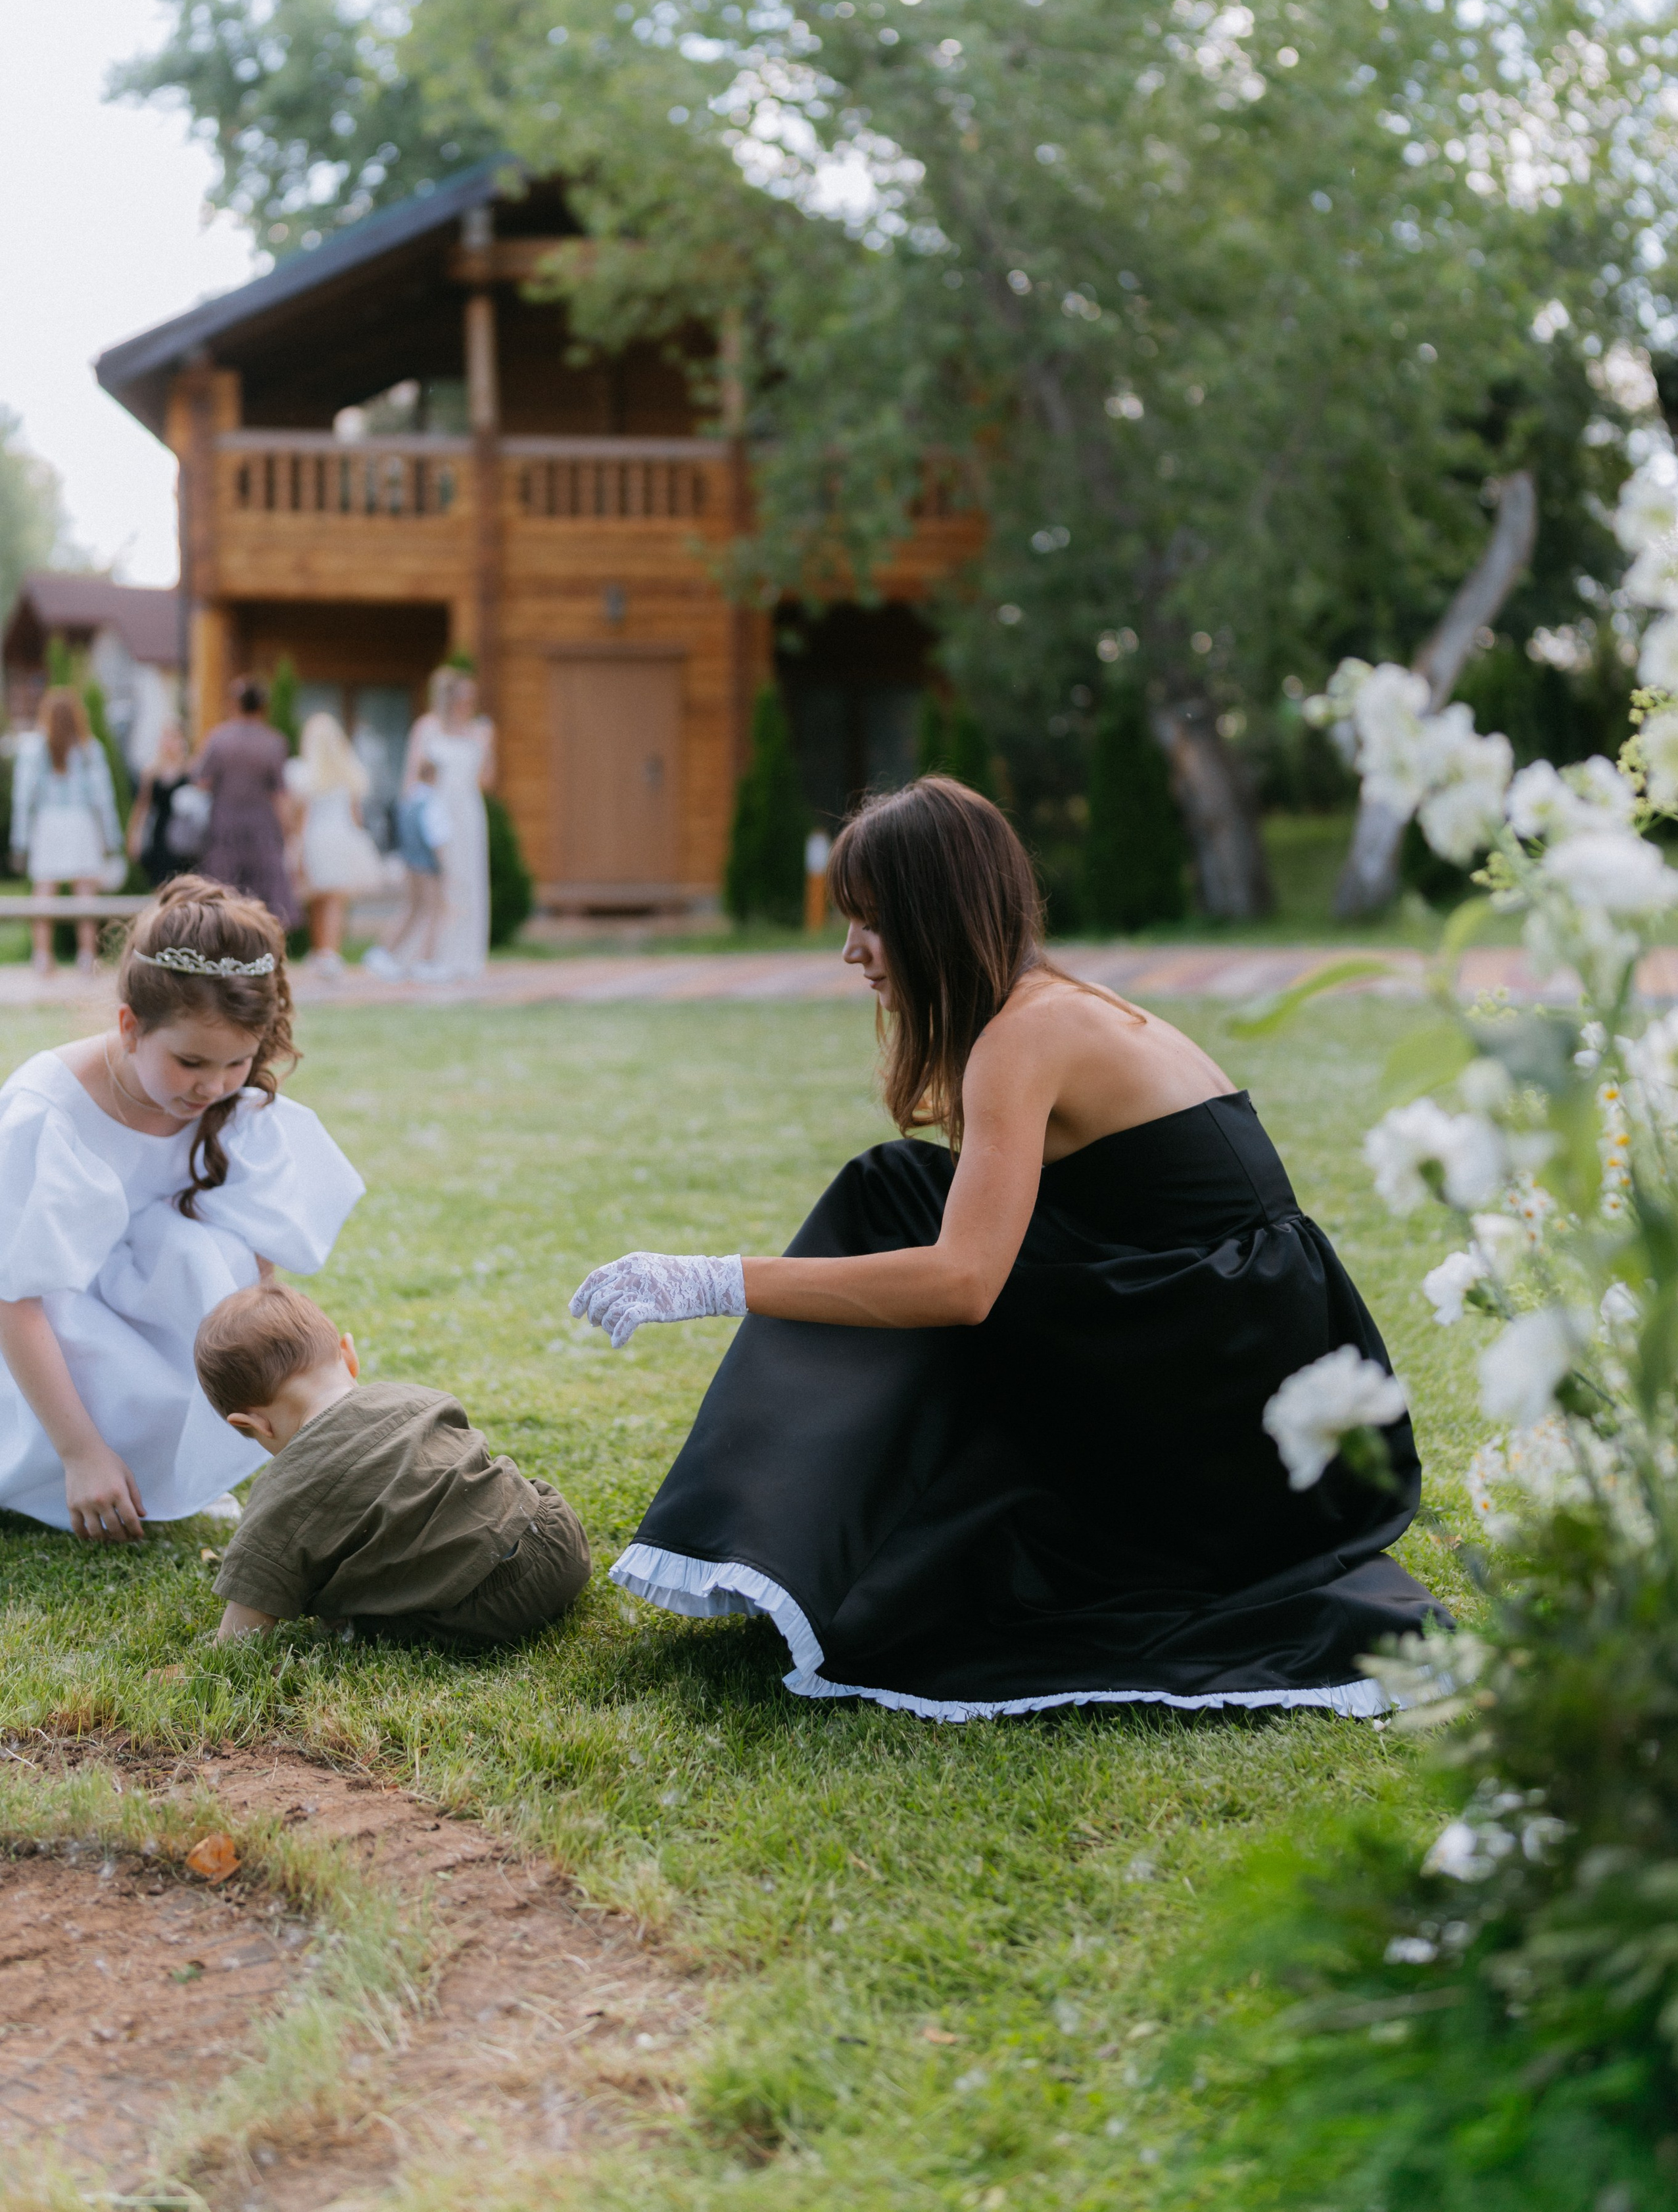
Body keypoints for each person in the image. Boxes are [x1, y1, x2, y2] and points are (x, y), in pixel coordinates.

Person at [573, 775, 1447, 1722]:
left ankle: (768, 1538)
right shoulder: (1047, 1008)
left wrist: (711, 1280)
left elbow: (963, 1283)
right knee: (900, 1188)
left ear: (933, 915)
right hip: (1226, 1329)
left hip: (1241, 1404)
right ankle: (784, 1538)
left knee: (898, 1209)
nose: (850, 951)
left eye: (871, 921)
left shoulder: (1025, 1035)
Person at [0, 875, 363, 1539]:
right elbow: (14, 1301)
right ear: (129, 1027)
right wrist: (81, 1453)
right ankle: (75, 1463)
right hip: (48, 1330)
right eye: (191, 1061)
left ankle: (180, 1462)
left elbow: (256, 1284)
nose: (213, 1087)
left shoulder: (233, 1103)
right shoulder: (46, 1112)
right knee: (76, 1308)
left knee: (205, 1249)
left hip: (154, 1308)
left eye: (237, 1063)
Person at [197, 1282, 590, 1643]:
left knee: (361, 1619)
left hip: (484, 1609)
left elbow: (243, 1633)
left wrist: (213, 1656)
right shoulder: (413, 1396)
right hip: (557, 1541)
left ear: (252, 1424)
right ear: (348, 1355)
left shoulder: (282, 1492)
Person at [11, 685, 123, 978]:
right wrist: (111, 839)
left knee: (44, 893)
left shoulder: (34, 747)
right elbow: (104, 798)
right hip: (81, 823)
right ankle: (88, 957)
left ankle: (42, 957)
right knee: (85, 893)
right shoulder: (88, 748)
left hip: (48, 824)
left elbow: (24, 797)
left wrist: (20, 841)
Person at [402, 667, 493, 978]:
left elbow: (487, 780)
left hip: (468, 813)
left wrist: (489, 748)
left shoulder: (481, 731)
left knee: (469, 882)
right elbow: (412, 781)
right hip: (435, 814)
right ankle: (431, 956)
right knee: (442, 883)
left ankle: (465, 957)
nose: (467, 703)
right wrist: (412, 823)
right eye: (462, 696)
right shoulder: (428, 728)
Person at [284, 711, 387, 972]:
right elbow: (356, 816)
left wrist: (296, 845)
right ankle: (328, 952)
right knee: (333, 900)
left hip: (316, 839)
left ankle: (324, 952)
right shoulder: (347, 773)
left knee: (319, 898)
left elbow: (301, 818)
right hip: (341, 838)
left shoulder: (305, 773)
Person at [192, 679, 299, 930]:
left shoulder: (219, 739)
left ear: (235, 704)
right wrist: (290, 832)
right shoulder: (273, 742)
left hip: (225, 825)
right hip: (262, 827)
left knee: (224, 892)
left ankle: (225, 947)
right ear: (263, 707)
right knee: (267, 898)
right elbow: (281, 795)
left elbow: (201, 780)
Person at [363, 754, 449, 978]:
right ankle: (426, 961)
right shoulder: (431, 802)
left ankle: (384, 952)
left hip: (410, 863)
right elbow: (436, 837)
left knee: (411, 909)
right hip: (428, 866)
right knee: (433, 910)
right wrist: (445, 867)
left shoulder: (408, 801)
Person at [128, 721, 199, 890]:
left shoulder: (190, 770)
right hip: (160, 834)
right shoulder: (152, 773)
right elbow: (142, 807)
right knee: (160, 883)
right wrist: (135, 836)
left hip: (183, 834)